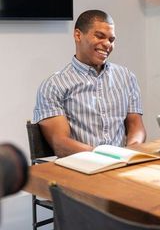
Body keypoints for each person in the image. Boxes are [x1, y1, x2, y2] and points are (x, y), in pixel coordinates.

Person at [33, 10, 146, 157]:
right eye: (99, 36)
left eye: (111, 40)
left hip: (121, 166)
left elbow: (136, 126)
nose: (107, 44)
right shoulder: (54, 85)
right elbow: (60, 144)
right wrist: (106, 157)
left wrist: (132, 151)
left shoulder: (127, 77)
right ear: (78, 35)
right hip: (80, 170)